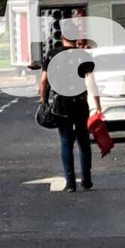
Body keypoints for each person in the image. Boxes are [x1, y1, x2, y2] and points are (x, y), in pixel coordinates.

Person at [39, 36, 99, 192]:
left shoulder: (52, 54)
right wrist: (97, 105)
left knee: (66, 141)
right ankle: (86, 179)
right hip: (79, 102)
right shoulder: (82, 55)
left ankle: (70, 182)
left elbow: (44, 80)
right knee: (83, 142)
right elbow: (90, 81)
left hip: (61, 104)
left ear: (62, 37)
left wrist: (43, 100)